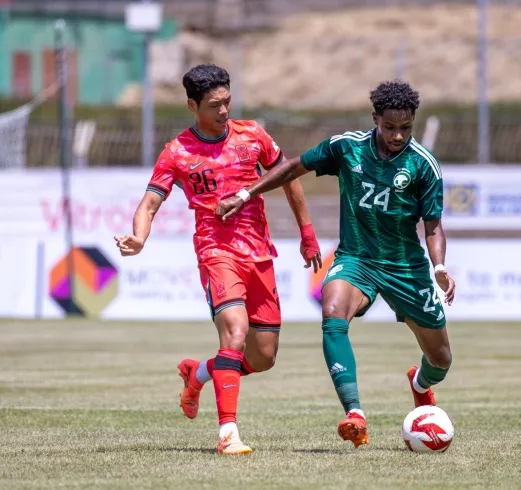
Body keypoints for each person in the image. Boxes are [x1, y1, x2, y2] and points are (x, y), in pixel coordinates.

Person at [216, 80, 456, 449]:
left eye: (405, 128)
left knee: (440, 360)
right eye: (390, 127)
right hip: (356, 258)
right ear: (376, 118)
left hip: (405, 267)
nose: (397, 135)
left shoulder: (424, 165)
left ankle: (419, 384)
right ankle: (355, 414)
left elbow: (433, 225)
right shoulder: (347, 148)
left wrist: (438, 267)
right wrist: (247, 192)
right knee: (332, 311)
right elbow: (293, 167)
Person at [114, 64, 322, 455]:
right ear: (193, 106)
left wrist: (307, 235)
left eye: (227, 102)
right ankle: (228, 434)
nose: (224, 111)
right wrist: (140, 237)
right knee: (235, 333)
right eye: (214, 105)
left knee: (263, 357)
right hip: (215, 252)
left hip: (259, 253)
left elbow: (289, 176)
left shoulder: (253, 135)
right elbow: (150, 203)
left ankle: (200, 372)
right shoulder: (177, 152)